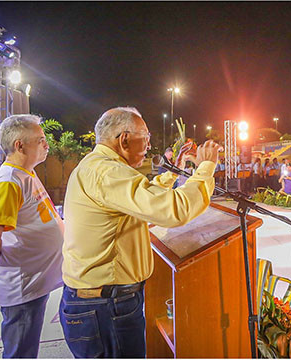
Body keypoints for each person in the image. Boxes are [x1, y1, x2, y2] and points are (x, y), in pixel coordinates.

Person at [60, 107, 219, 358]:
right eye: (145, 137)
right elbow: (173, 210)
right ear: (124, 139)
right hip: (106, 306)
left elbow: (142, 194)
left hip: (103, 302)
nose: (149, 144)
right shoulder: (107, 171)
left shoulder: (100, 167)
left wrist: (172, 171)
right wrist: (207, 166)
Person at [0, 114, 64, 358]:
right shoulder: (8, 182)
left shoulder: (25, 174)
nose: (47, 144)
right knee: (20, 352)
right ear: (19, 145)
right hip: (23, 288)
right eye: (41, 140)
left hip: (35, 282)